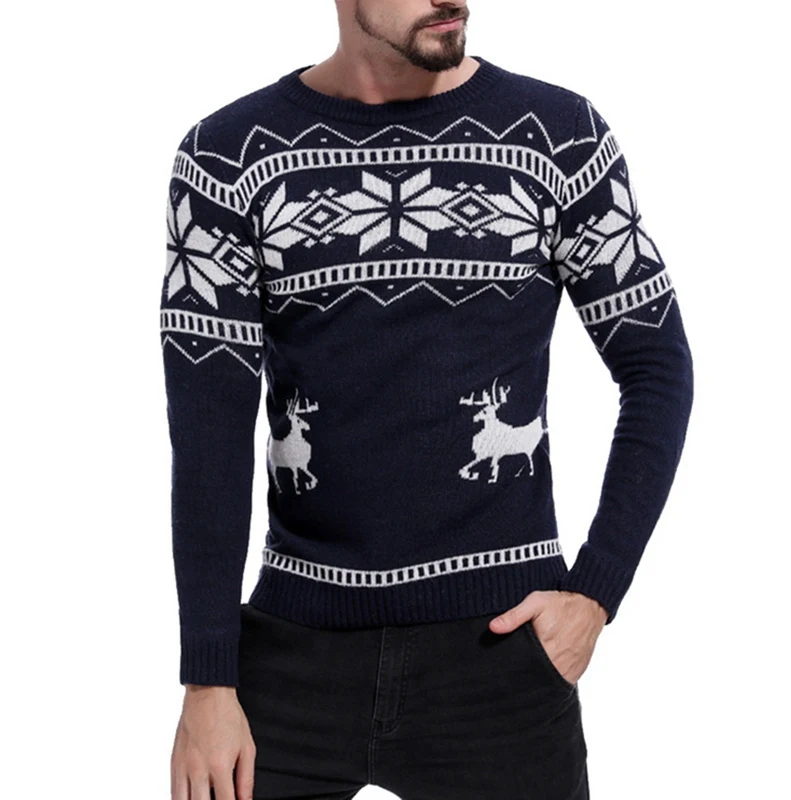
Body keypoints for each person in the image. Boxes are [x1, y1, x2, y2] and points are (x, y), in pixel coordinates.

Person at [161, 2, 694, 798]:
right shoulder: (229, 160)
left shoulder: (559, 139)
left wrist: (595, 593)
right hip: (291, 662)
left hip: (503, 658)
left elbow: (657, 366)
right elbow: (208, 431)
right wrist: (207, 678)